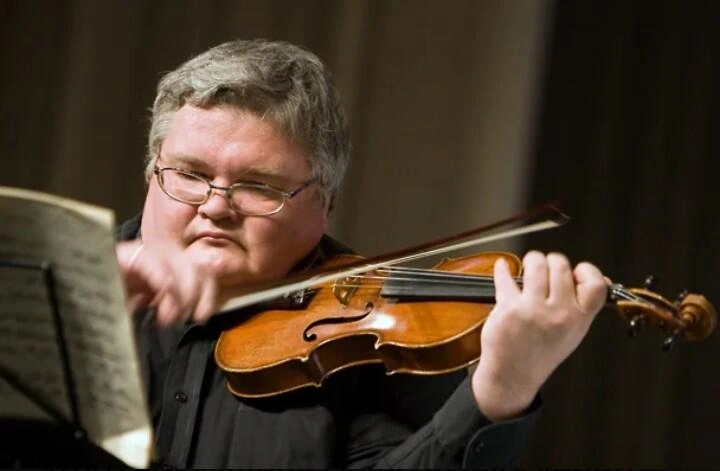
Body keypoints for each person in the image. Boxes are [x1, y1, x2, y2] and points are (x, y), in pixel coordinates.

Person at [114, 39, 608, 469]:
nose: (216, 206)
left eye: (258, 186)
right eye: (189, 174)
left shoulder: (367, 353)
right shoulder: (83, 283)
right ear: (150, 173)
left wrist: (500, 390)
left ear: (325, 205)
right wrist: (94, 279)